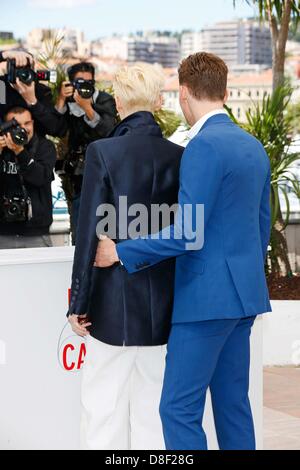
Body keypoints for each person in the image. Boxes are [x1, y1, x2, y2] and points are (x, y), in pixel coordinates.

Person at [94, 52, 272, 450]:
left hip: (206, 303)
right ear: (225, 92)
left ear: (185, 93)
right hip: (244, 299)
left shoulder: (202, 147)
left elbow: (187, 233)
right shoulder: (253, 147)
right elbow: (261, 229)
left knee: (178, 409)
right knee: (233, 408)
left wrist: (122, 251)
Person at [67, 63, 184, 450]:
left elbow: (89, 235)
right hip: (165, 304)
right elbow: (183, 233)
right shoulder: (178, 155)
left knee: (102, 406)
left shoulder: (103, 151)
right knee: (152, 408)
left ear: (118, 101)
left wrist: (78, 302)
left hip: (112, 303)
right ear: (156, 101)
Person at [33, 61, 117, 244]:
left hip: (103, 170)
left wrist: (87, 107)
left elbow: (108, 130)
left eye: (89, 82)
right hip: (76, 175)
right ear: (71, 84)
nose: (86, 86)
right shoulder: (68, 101)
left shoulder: (103, 100)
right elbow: (56, 129)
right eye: (80, 82)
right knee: (79, 224)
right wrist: (62, 101)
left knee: (104, 223)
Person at [0, 106, 56, 249]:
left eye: (27, 123)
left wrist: (20, 151)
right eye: (17, 126)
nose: (23, 129)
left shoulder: (45, 147)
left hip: (36, 231)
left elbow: (40, 178)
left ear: (33, 123)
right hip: (4, 231)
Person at [0, 50, 56, 137]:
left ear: (33, 69)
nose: (22, 73)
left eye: (26, 68)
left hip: (35, 147)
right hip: (5, 143)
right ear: (8, 69)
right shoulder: (2, 87)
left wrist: (33, 101)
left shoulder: (41, 90)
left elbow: (56, 129)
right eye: (17, 68)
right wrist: (4, 55)